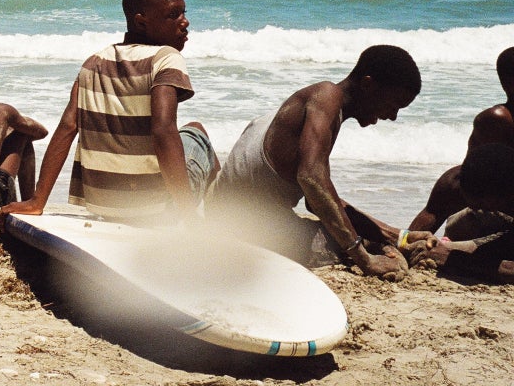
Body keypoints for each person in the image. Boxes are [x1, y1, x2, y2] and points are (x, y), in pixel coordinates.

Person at [2, 0, 219, 227]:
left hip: (105, 205)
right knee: (197, 133)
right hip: (156, 209)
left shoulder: (93, 63)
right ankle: (214, 221)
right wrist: (186, 213)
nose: (185, 22)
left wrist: (38, 200)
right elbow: (162, 130)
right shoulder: (166, 58)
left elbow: (67, 128)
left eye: (184, 12)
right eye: (173, 15)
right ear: (141, 21)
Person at [203, 45, 423, 280]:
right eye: (394, 105)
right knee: (357, 245)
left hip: (223, 211)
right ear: (367, 84)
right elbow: (311, 179)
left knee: (362, 236)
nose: (393, 116)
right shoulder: (327, 96)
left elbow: (319, 199)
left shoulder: (322, 108)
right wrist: (365, 259)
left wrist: (398, 236)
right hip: (237, 226)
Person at [407, 47, 514, 235]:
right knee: (452, 180)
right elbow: (472, 174)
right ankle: (406, 242)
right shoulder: (498, 119)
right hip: (494, 205)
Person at [408, 143, 514, 283]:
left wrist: (452, 258)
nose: (477, 206)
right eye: (471, 199)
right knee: (456, 228)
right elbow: (412, 236)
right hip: (500, 224)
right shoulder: (455, 181)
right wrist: (401, 244)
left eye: (483, 203)